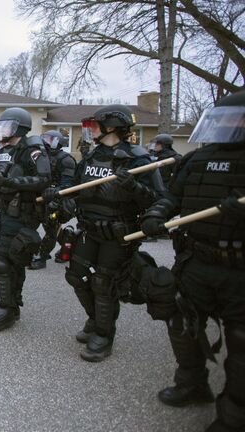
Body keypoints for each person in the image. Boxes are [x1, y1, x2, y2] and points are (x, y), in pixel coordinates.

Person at [140, 90, 245, 432]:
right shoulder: (197, 159)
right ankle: (192, 382)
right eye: (222, 119)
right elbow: (173, 196)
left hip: (239, 267)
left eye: (234, 118)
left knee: (241, 343)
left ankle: (233, 416)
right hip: (196, 259)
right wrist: (156, 215)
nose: (226, 124)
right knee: (181, 322)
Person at [62, 104, 164, 361]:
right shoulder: (91, 157)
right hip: (89, 228)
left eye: (96, 125)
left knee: (103, 283)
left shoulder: (138, 159)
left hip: (118, 234)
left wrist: (132, 187)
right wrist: (61, 197)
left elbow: (159, 200)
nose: (92, 130)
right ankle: (95, 319)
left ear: (113, 127)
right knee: (76, 276)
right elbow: (74, 188)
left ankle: (104, 335)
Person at [0, 108, 50, 332]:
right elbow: (0, 179)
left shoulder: (32, 150)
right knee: (11, 261)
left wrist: (15, 183)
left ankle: (7, 308)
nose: (2, 131)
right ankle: (11, 306)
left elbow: (44, 178)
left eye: (7, 126)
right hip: (7, 211)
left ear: (19, 127)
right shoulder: (4, 150)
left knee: (3, 260)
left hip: (24, 213)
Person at [29, 130, 76, 270]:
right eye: (44, 138)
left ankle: (41, 258)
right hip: (39, 197)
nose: (45, 141)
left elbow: (68, 184)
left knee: (51, 228)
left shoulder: (66, 159)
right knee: (36, 226)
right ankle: (68, 246)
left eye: (49, 139)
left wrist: (56, 194)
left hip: (57, 200)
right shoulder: (40, 157)